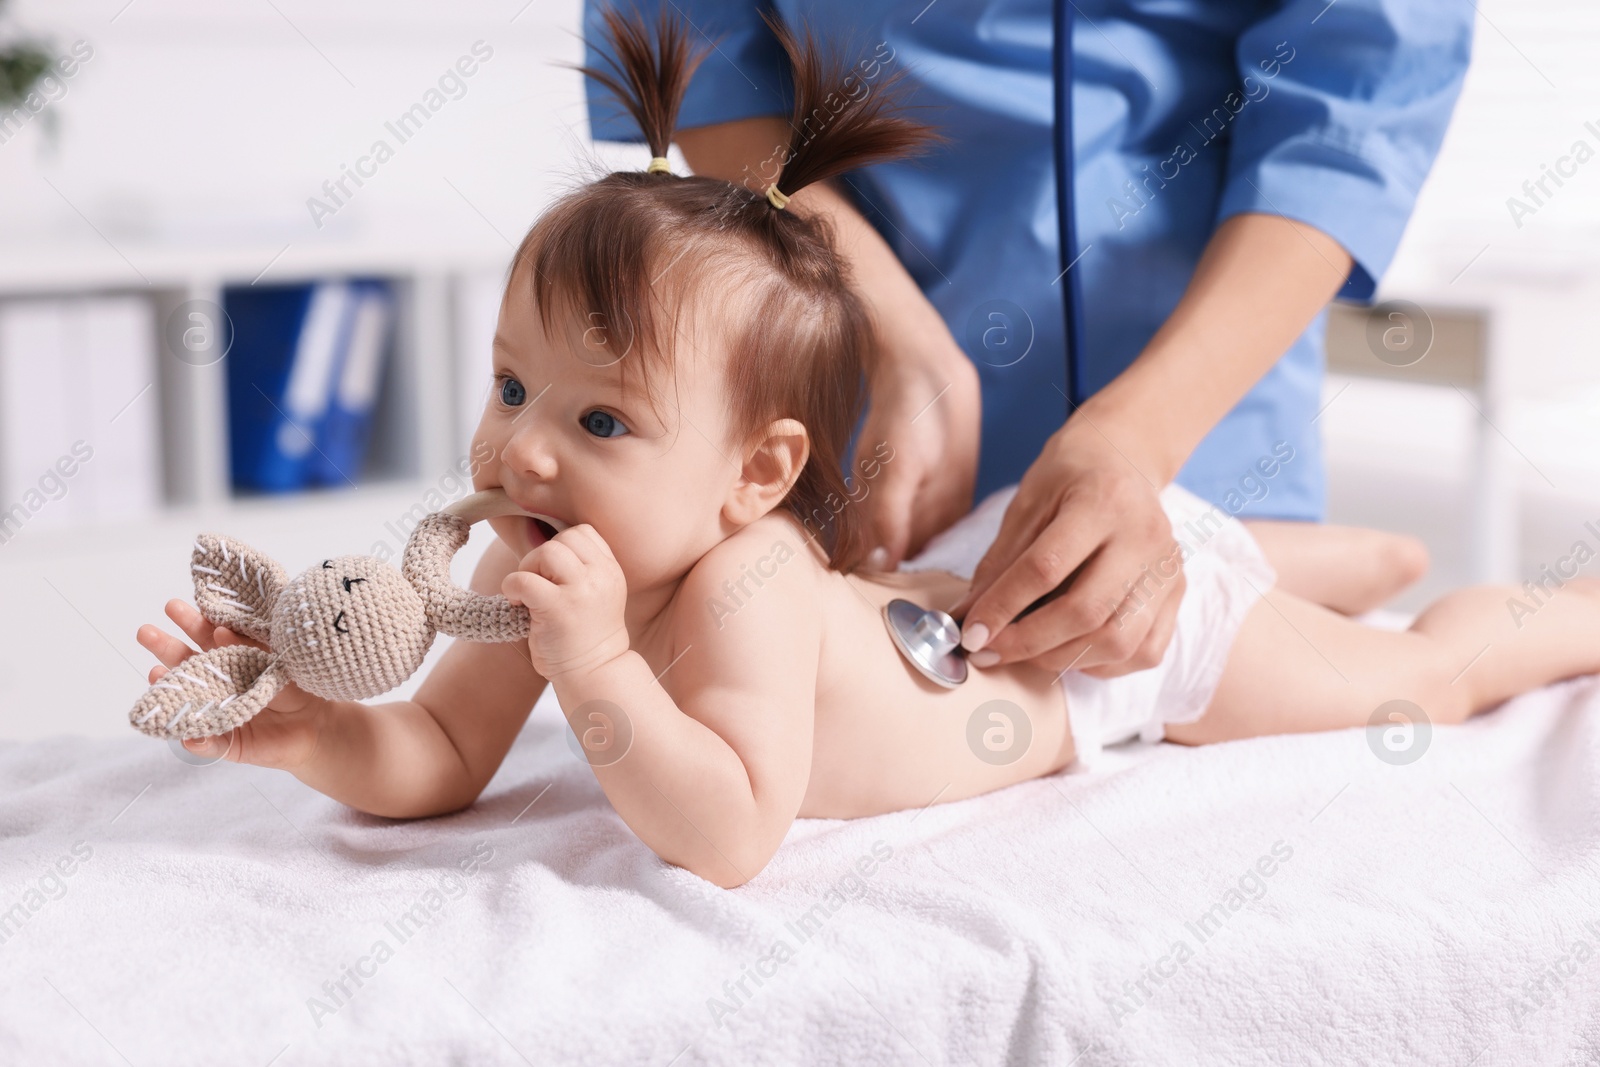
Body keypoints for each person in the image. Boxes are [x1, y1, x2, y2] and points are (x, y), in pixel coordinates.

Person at [136, 13, 1594, 891]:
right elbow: (447, 751)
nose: (517, 449)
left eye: (596, 420)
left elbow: (730, 829)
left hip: (1119, 663)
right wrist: (318, 735)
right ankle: (1340, 555)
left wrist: (594, 668)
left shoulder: (746, 583)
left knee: (1414, 668)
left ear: (759, 475)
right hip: (985, 558)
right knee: (1243, 563)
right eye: (511, 381)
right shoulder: (558, 570)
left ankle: (1544, 610)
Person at [582, 0, 1472, 679]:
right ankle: (1392, 572)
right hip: (869, 418)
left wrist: (1140, 436)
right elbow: (706, 53)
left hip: (1203, 397)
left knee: (1252, 628)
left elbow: (1355, 104)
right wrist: (889, 334)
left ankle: (1449, 592)